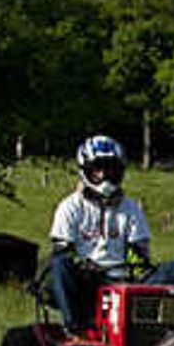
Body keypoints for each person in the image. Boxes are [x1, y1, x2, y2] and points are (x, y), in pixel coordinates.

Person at [46, 133, 150, 333]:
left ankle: (161, 333)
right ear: (86, 171)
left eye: (111, 170)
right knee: (59, 265)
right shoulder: (70, 207)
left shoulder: (131, 209)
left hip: (123, 283)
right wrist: (86, 267)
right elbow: (62, 252)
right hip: (86, 283)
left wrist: (135, 274)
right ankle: (76, 328)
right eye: (98, 170)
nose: (105, 177)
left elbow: (142, 258)